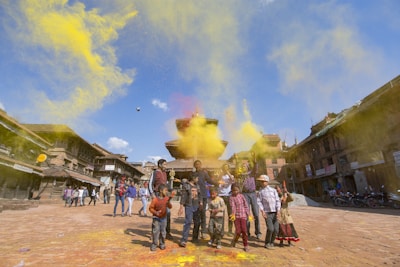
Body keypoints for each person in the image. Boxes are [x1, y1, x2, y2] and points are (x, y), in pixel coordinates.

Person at [235, 153, 262, 240]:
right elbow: (236, 169)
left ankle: (258, 232)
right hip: (244, 194)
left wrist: (254, 159)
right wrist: (237, 161)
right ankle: (247, 231)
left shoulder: (251, 173)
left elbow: (255, 167)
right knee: (246, 214)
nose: (243, 167)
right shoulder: (240, 175)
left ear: (248, 167)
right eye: (242, 166)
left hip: (253, 194)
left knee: (256, 214)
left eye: (245, 165)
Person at [149, 159, 173, 240]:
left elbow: (166, 184)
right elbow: (150, 184)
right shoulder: (155, 172)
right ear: (160, 164)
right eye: (164, 164)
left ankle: (167, 232)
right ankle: (153, 233)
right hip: (157, 196)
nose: (165, 166)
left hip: (165, 197)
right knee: (156, 214)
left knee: (168, 213)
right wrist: (152, 194)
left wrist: (170, 191)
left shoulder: (165, 173)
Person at [256, 174, 281, 249]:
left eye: (263, 181)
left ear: (267, 182)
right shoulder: (260, 192)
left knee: (276, 229)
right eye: (261, 182)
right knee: (270, 228)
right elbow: (259, 202)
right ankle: (267, 243)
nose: (262, 183)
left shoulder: (273, 190)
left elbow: (277, 200)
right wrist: (262, 211)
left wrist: (278, 211)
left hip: (275, 212)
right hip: (267, 212)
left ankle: (272, 242)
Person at [178, 174, 202, 248]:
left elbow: (200, 195)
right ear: (193, 178)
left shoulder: (197, 186)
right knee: (188, 222)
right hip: (189, 206)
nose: (198, 179)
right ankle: (184, 239)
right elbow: (183, 196)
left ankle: (195, 238)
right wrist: (181, 206)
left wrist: (201, 202)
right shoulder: (186, 186)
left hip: (196, 206)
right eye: (197, 178)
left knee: (197, 222)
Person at [149, 184, 173, 251]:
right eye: (165, 190)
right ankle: (154, 244)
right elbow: (150, 208)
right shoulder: (155, 200)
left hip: (164, 218)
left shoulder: (166, 199)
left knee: (163, 232)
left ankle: (162, 244)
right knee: (155, 232)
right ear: (160, 191)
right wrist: (155, 212)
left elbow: (170, 207)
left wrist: (168, 202)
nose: (166, 192)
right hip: (156, 218)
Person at [193, 160, 213, 239]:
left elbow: (210, 181)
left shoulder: (204, 173)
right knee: (196, 214)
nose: (198, 165)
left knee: (203, 213)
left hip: (203, 195)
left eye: (199, 164)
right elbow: (189, 182)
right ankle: (196, 233)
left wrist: (217, 183)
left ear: (201, 165)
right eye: (196, 164)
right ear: (194, 166)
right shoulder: (193, 174)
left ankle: (203, 231)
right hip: (195, 196)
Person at [229, 184, 251, 252]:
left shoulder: (242, 196)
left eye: (236, 190)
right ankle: (235, 241)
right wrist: (233, 215)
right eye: (234, 190)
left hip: (243, 215)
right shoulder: (231, 198)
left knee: (244, 231)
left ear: (239, 190)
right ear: (232, 190)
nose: (235, 191)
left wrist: (248, 214)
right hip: (236, 216)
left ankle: (245, 245)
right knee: (238, 231)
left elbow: (246, 205)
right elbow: (233, 207)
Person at [218, 163, 235, 236]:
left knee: (230, 214)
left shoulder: (230, 176)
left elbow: (232, 180)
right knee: (220, 214)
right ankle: (220, 230)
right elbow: (217, 181)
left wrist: (228, 172)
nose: (225, 169)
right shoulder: (220, 176)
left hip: (228, 195)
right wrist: (221, 173)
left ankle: (230, 230)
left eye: (227, 167)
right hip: (220, 195)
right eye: (224, 167)